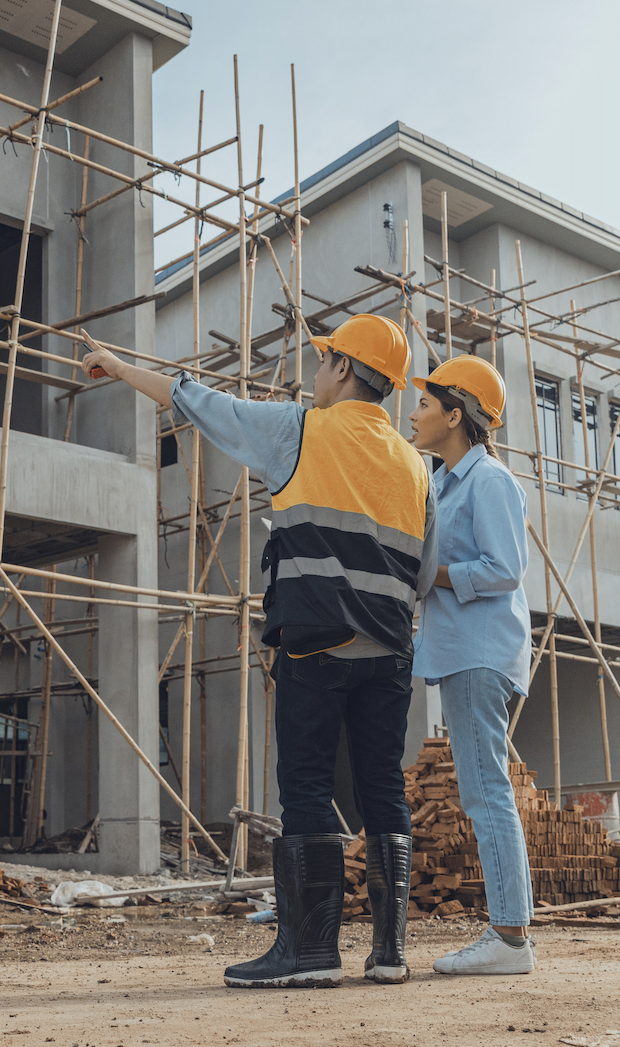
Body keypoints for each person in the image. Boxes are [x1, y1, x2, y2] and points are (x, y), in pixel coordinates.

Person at [83, 314, 437, 988]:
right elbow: (421, 575)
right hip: (391, 652)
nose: (316, 371)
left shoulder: (299, 429)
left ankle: (310, 953)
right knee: (382, 788)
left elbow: (194, 400)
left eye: (323, 360)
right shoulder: (416, 467)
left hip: (316, 644)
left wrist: (121, 367)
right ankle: (389, 953)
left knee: (306, 786)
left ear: (341, 367)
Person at [408, 356, 536, 975]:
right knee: (484, 789)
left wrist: (430, 573)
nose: (414, 413)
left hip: (481, 651)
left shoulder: (489, 481)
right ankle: (510, 934)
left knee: (486, 791)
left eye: (425, 404)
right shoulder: (443, 483)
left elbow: (506, 569)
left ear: (455, 415)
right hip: (464, 650)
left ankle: (510, 938)